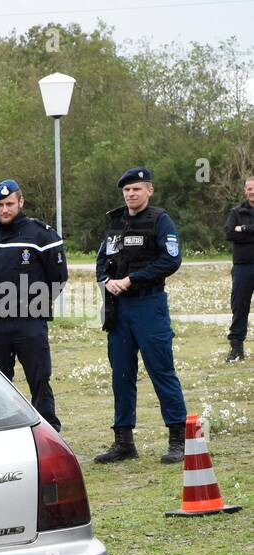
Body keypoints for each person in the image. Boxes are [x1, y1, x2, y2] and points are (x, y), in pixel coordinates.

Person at [94, 167, 188, 465]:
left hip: (149, 305)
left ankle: (177, 440)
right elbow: (101, 260)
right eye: (127, 190)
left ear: (149, 190)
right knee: (121, 374)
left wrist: (132, 279)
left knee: (161, 370)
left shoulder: (160, 220)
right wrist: (106, 281)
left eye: (136, 189)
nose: (131, 194)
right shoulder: (116, 221)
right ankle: (124, 442)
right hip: (119, 310)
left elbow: (171, 260)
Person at [0, 179, 68, 431]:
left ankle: (48, 430)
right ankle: (2, 429)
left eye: (10, 203)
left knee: (39, 378)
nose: (4, 209)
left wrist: (34, 305)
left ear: (21, 202)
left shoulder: (41, 235)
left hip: (28, 321)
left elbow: (58, 277)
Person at [223, 175, 254, 362]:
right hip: (243, 267)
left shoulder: (240, 220)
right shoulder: (236, 211)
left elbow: (238, 233)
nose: (252, 191)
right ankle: (236, 348)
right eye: (249, 188)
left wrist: (243, 229)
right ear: (245, 190)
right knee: (239, 307)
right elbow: (229, 234)